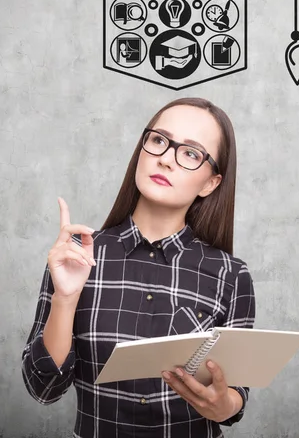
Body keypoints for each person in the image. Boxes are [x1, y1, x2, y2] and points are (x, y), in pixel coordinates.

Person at [21, 97, 256, 438]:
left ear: (211, 183)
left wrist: (225, 405)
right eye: (159, 140)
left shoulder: (231, 276)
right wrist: (65, 299)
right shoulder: (77, 257)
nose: (165, 159)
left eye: (190, 153)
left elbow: (236, 394)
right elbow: (43, 389)